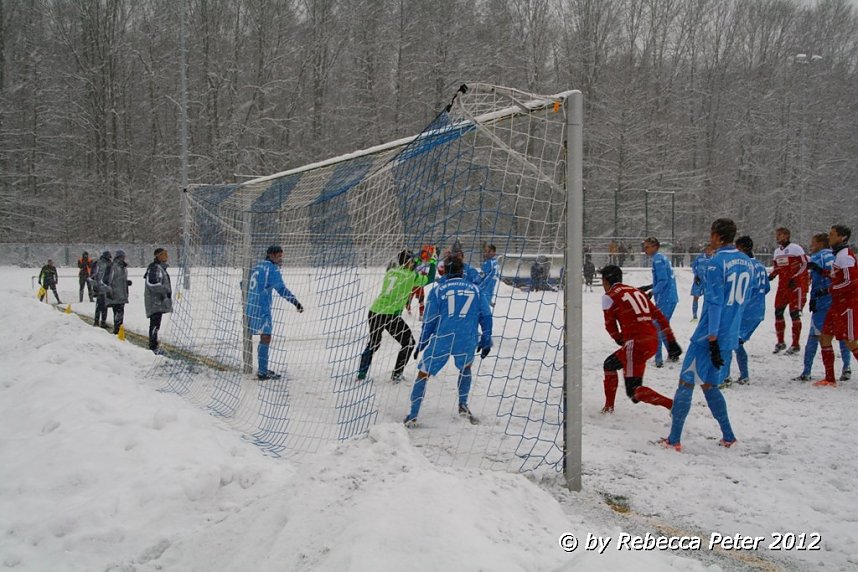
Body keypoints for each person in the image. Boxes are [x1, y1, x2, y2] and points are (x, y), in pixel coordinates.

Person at [659, 219, 751, 452]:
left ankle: (674, 439)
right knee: (710, 385)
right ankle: (728, 436)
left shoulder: (716, 262)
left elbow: (715, 301)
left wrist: (711, 337)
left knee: (686, 382)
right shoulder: (748, 263)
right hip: (729, 334)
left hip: (709, 336)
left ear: (717, 236)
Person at [405, 257, 492, 425]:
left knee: (424, 372)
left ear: (445, 271)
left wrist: (422, 342)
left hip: (443, 337)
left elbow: (430, 320)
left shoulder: (438, 290)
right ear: (462, 270)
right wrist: (486, 338)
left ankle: (413, 414)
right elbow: (486, 316)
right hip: (466, 336)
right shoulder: (475, 289)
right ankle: (463, 405)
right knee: (466, 368)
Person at [598, 265, 681, 414]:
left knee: (634, 391)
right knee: (610, 364)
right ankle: (608, 407)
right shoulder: (637, 291)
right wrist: (671, 341)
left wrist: (620, 340)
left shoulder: (608, 296)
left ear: (606, 280)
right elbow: (660, 317)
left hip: (635, 344)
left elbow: (610, 326)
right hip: (652, 341)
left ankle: (672, 405)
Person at [357, 249, 430, 383]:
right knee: (409, 343)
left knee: (374, 343)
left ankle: (361, 373)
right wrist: (431, 261)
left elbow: (405, 269)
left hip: (374, 311)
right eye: (412, 261)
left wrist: (417, 261)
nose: (413, 263)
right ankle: (397, 374)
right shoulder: (410, 276)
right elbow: (428, 279)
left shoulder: (391, 271)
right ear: (409, 262)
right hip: (390, 315)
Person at [793, 233, 852, 382]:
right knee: (843, 337)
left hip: (822, 303)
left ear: (820, 243)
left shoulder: (817, 257)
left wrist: (816, 296)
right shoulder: (836, 256)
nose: (811, 246)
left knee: (815, 337)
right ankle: (846, 368)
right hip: (838, 302)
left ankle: (807, 372)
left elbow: (821, 279)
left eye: (813, 242)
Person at [246, 245, 304, 380]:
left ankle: (263, 369)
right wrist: (296, 302)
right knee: (266, 337)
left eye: (281, 256)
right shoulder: (271, 269)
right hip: (262, 308)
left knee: (263, 336)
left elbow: (243, 283)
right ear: (271, 255)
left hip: (250, 305)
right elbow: (282, 289)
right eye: (278, 256)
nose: (280, 259)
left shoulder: (257, 266)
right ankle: (262, 372)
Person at [811, 225, 858, 387]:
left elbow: (850, 282)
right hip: (837, 304)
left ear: (842, 237)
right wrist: (821, 271)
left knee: (850, 341)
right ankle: (829, 378)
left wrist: (828, 289)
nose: (829, 237)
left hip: (848, 304)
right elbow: (836, 277)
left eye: (832, 234)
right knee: (825, 337)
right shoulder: (838, 255)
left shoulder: (845, 256)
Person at [722, 236, 771, 386]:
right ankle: (742, 375)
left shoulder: (746, 266)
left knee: (730, 341)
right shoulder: (760, 266)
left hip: (746, 310)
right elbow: (766, 288)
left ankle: (727, 376)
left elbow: (745, 289)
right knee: (737, 342)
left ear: (742, 248)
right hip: (759, 310)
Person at [769, 227, 809, 354]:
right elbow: (777, 268)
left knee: (794, 314)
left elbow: (804, 264)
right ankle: (780, 342)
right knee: (778, 312)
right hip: (782, 287)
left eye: (779, 235)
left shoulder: (795, 248)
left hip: (794, 287)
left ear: (786, 235)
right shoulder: (777, 252)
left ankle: (795, 344)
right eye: (777, 235)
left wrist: (795, 278)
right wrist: (771, 276)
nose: (777, 237)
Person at [640, 237, 678, 367]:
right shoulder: (662, 258)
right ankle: (672, 354)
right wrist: (650, 286)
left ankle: (658, 359)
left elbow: (663, 281)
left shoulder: (657, 260)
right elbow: (663, 279)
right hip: (670, 297)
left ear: (655, 246)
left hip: (665, 298)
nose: (645, 250)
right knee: (662, 326)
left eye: (647, 247)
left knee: (657, 326)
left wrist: (652, 292)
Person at [143, 248, 173, 354]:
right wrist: (165, 291)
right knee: (155, 323)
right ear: (158, 256)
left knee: (156, 323)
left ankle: (154, 343)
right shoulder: (155, 268)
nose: (166, 256)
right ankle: (153, 345)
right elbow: (153, 284)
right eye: (163, 254)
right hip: (154, 302)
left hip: (158, 302)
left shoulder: (160, 268)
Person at [102, 249, 132, 335]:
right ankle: (117, 330)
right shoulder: (113, 267)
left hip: (121, 293)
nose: (123, 259)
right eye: (122, 257)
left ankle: (118, 329)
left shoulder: (123, 268)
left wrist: (126, 282)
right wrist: (109, 291)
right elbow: (108, 280)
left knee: (119, 312)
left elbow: (119, 279)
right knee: (118, 312)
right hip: (116, 294)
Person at [406, 245, 437, 320]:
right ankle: (408, 309)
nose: (429, 255)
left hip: (420, 281)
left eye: (430, 253)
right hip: (414, 280)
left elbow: (432, 269)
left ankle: (421, 314)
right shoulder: (418, 259)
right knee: (409, 298)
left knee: (421, 299)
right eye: (428, 253)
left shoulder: (431, 260)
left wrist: (433, 260)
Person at [89, 251, 111, 327]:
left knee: (105, 305)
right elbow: (93, 276)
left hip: (106, 287)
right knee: (100, 305)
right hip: (100, 287)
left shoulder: (109, 264)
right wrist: (95, 286)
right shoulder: (98, 264)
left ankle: (102, 321)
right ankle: (97, 321)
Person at [690, 246, 711, 321]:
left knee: (707, 299)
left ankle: (704, 315)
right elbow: (693, 266)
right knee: (696, 297)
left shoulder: (714, 258)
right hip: (698, 280)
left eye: (710, 250)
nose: (709, 251)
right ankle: (694, 315)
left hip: (708, 282)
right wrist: (696, 275)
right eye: (707, 249)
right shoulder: (700, 257)